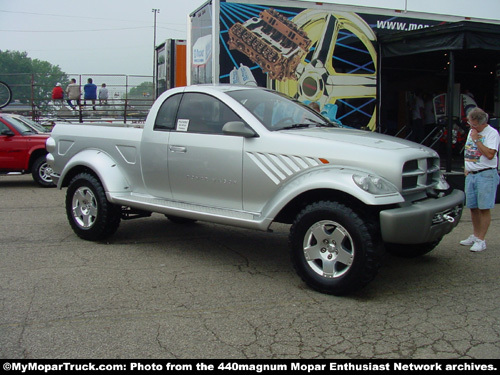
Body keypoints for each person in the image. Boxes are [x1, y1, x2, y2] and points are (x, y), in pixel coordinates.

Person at [460, 107, 500, 252]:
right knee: (473, 207)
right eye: (470, 124)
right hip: (471, 173)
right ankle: (475, 235)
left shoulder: (492, 134)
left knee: (484, 208)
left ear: (481, 123)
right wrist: (466, 167)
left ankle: (481, 239)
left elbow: (490, 154)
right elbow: (468, 149)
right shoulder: (472, 131)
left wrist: (477, 140)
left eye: (474, 124)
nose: (471, 127)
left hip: (486, 174)